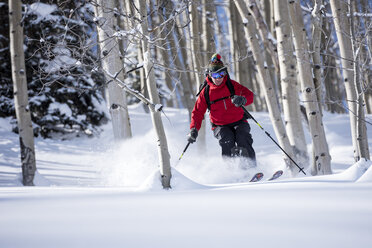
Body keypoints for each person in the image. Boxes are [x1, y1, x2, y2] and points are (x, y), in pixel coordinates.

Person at [187, 53, 256, 167]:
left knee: (243, 137)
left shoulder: (232, 85)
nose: (218, 78)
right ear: (209, 75)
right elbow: (198, 112)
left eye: (221, 74)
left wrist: (242, 100)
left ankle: (251, 167)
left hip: (239, 121)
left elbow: (250, 96)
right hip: (220, 126)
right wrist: (194, 129)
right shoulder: (205, 93)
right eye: (215, 74)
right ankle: (231, 170)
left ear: (225, 73)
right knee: (227, 138)